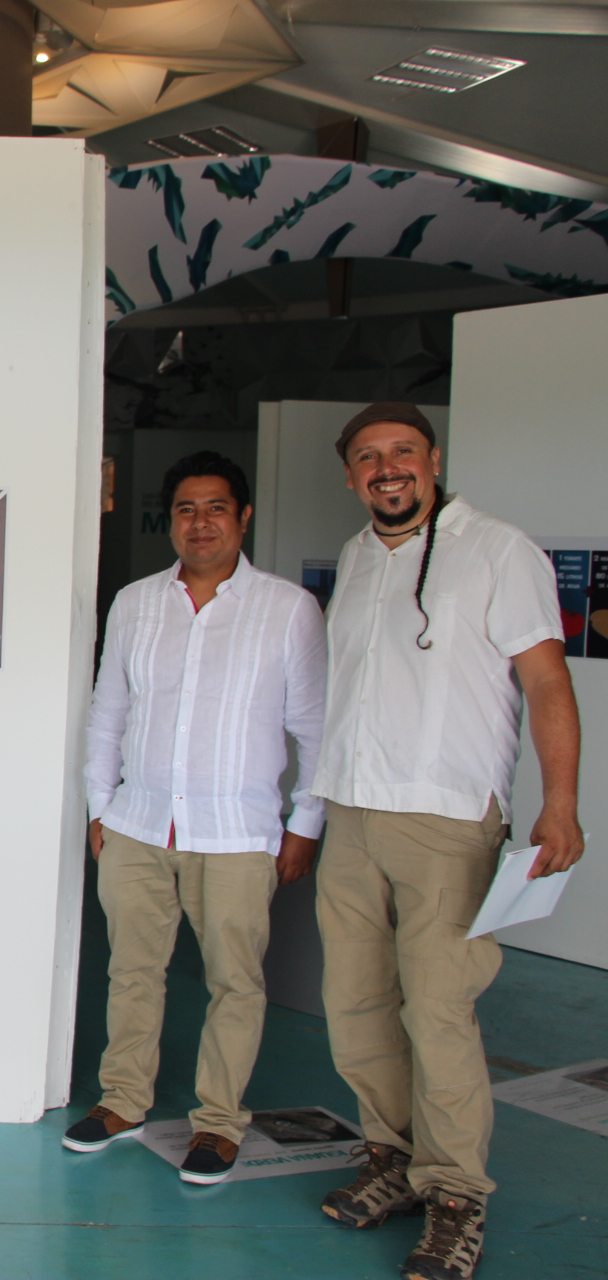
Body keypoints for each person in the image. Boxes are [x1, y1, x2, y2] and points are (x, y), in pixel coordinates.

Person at [312, 403, 583, 1280]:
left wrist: (561, 802)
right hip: (351, 812)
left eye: (401, 452)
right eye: (367, 458)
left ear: (433, 459)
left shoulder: (499, 549)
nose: (386, 469)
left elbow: (545, 681)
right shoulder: (356, 559)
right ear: (351, 476)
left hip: (449, 818)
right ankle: (392, 1159)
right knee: (354, 1006)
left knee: (437, 1012)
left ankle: (456, 1193)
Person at [67, 451, 326, 1185]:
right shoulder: (135, 602)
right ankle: (122, 1102)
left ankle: (217, 1124)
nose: (200, 522)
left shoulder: (287, 609)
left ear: (243, 518)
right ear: (169, 520)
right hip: (140, 824)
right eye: (185, 508)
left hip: (237, 833)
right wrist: (100, 804)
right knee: (132, 971)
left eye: (216, 507)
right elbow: (108, 712)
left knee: (235, 980)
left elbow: (315, 728)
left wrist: (304, 823)